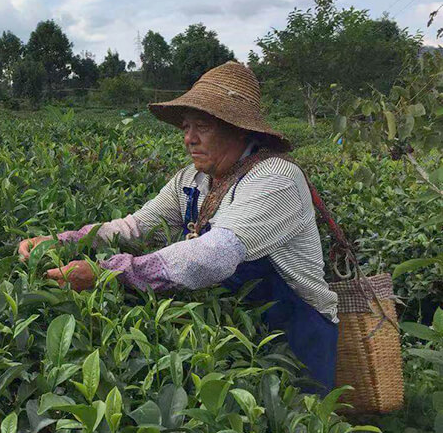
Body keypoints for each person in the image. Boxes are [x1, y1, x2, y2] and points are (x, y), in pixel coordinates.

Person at [18, 61, 339, 392]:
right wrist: (65, 241)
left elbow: (213, 255)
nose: (189, 139)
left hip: (296, 334)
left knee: (298, 427)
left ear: (239, 128)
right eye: (186, 127)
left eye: (203, 126)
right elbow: (135, 228)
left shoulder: (275, 179)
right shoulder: (192, 180)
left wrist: (106, 273)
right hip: (234, 331)